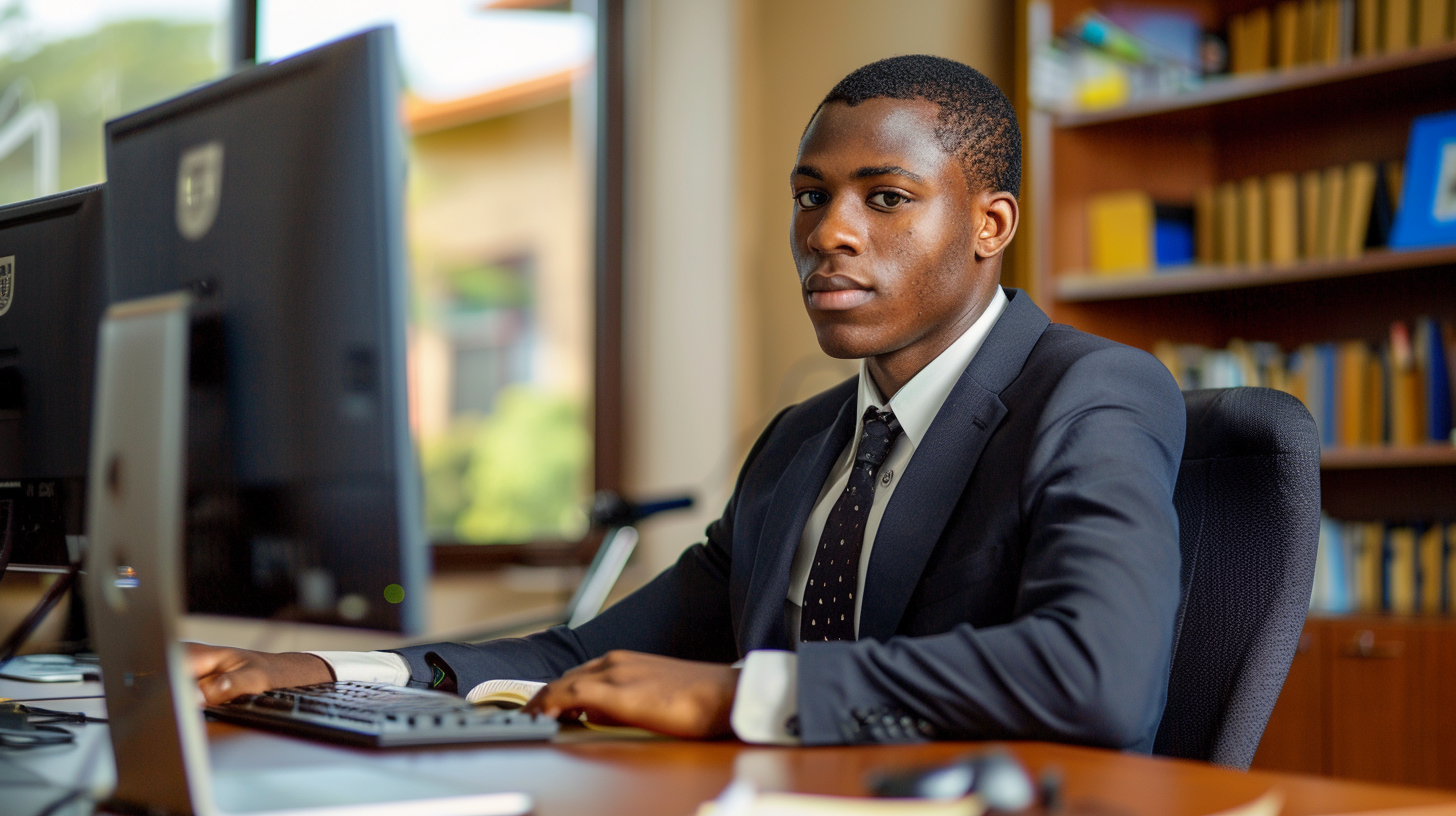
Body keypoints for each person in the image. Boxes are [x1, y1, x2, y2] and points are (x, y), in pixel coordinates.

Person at [190, 55, 1185, 749]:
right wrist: (332, 674)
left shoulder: (1089, 391)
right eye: (810, 195)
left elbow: (1096, 674)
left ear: (988, 223)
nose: (830, 232)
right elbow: (589, 654)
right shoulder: (803, 443)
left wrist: (740, 695)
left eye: (884, 198)